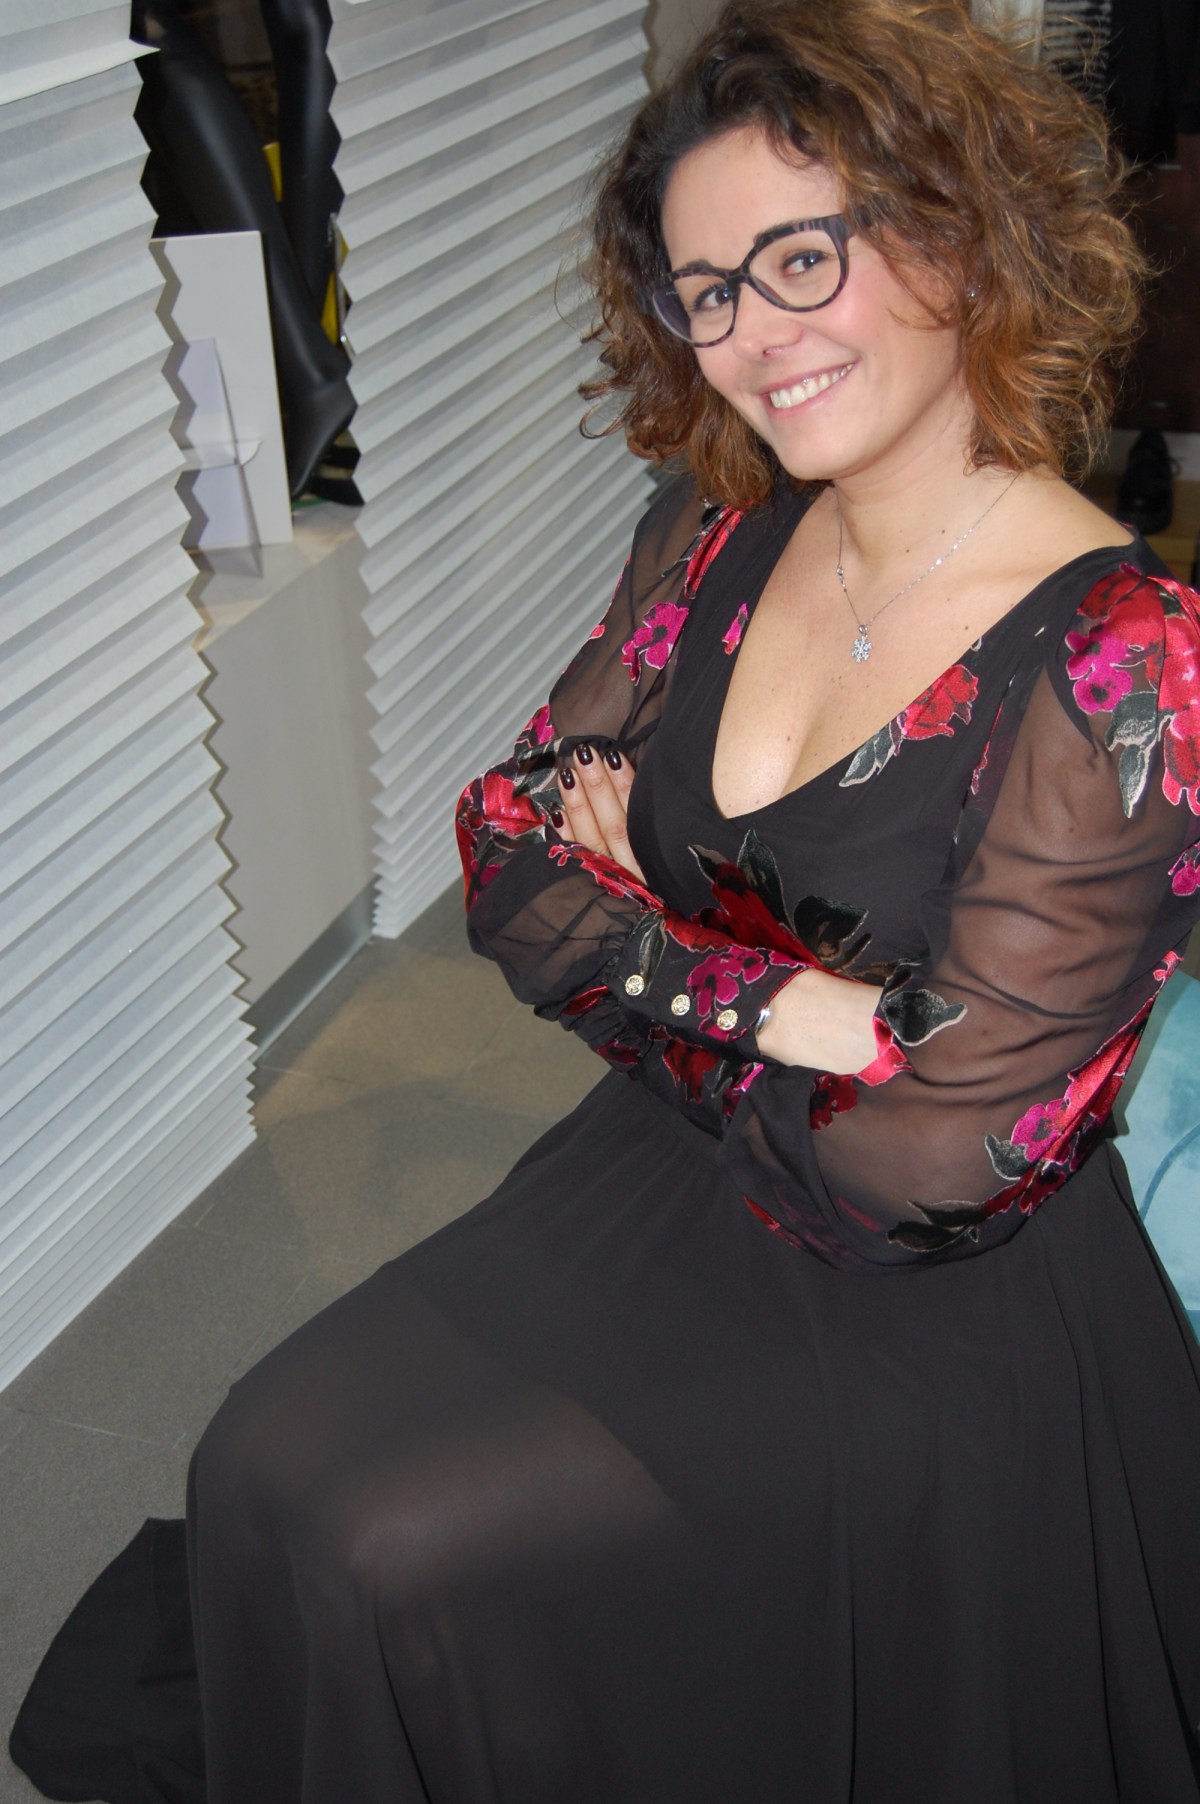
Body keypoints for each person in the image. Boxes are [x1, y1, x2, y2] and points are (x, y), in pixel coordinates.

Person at [181, 0, 1200, 1797]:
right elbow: (503, 857)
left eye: (803, 258)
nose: (752, 338)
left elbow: (935, 1169)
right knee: (259, 1458)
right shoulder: (719, 529)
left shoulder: (1132, 659)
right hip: (674, 1162)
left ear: (960, 232)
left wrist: (633, 935)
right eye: (706, 289)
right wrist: (780, 1004)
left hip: (939, 1317)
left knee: (384, 1543)